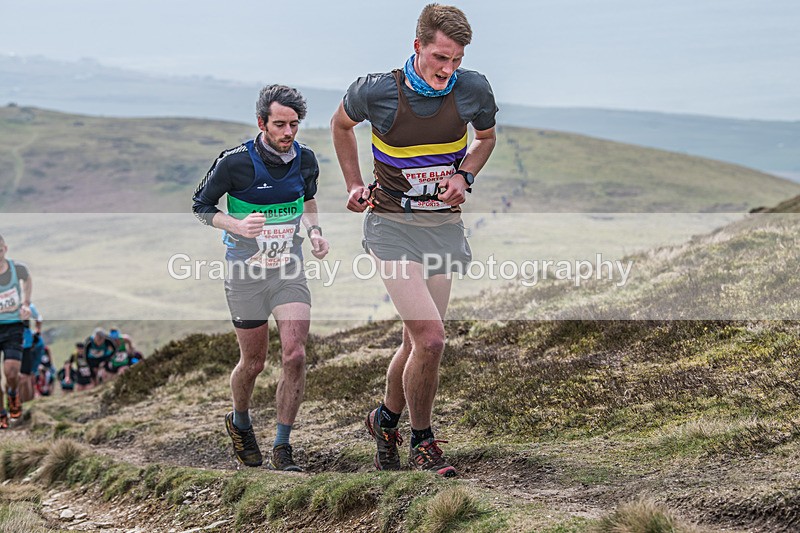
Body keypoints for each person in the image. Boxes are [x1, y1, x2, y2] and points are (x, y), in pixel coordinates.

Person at [331, 4, 497, 476]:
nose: (449, 70)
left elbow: (485, 139)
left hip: (442, 226)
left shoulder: (473, 90)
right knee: (432, 338)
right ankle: (422, 443)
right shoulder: (377, 91)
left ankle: (384, 420)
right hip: (391, 225)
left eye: (457, 60)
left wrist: (465, 175)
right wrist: (353, 184)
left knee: (415, 342)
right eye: (440, 58)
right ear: (418, 46)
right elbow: (341, 125)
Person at [193, 84, 330, 471]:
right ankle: (240, 421)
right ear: (262, 123)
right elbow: (201, 206)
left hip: (288, 270)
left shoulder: (305, 160)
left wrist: (315, 232)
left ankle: (283, 446)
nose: (288, 133)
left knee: (295, 354)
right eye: (280, 124)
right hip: (245, 274)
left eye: (294, 124)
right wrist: (236, 225)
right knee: (253, 363)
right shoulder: (234, 163)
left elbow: (308, 200)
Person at [0, 234, 34, 427]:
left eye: (0, 250)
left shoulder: (17, 269)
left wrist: (26, 303)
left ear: (5, 249)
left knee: (12, 373)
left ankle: (13, 394)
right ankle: (1, 413)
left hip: (13, 326)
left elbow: (28, 279)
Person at [19, 302, 45, 402]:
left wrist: (37, 332)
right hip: (12, 345)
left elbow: (38, 318)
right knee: (16, 377)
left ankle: (26, 402)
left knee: (25, 377)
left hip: (26, 344)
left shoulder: (28, 306)